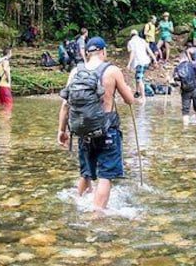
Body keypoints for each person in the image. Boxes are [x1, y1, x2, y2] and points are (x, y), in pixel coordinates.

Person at [57, 37, 136, 211]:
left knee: (86, 172)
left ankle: (77, 206)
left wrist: (61, 131)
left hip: (83, 130)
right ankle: (97, 215)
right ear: (103, 51)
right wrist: (127, 89)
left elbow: (65, 105)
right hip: (107, 129)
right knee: (105, 175)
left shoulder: (75, 72)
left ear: (87, 53)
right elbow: (130, 100)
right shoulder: (112, 70)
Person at [174, 48, 196, 125]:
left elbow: (175, 81)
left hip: (185, 91)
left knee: (185, 111)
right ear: (186, 58)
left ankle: (185, 127)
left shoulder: (177, 68)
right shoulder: (192, 65)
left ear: (179, 59)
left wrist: (169, 80)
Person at [127, 29, 157, 101]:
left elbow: (132, 53)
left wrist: (129, 63)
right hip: (146, 61)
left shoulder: (131, 42)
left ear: (131, 35)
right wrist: (155, 60)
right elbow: (149, 50)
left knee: (139, 79)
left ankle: (143, 97)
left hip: (139, 62)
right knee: (138, 77)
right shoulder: (142, 40)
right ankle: (137, 92)